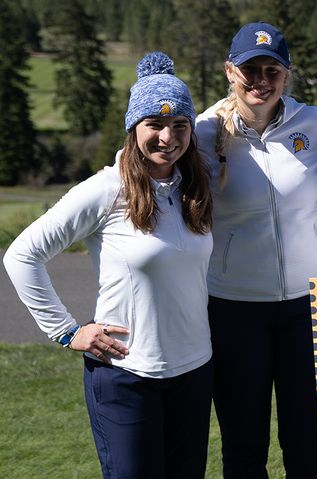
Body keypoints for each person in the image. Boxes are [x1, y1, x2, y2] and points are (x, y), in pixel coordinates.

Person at [5, 52, 213, 478]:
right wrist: (66, 331)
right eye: (154, 124)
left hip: (193, 373)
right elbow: (22, 255)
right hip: (126, 376)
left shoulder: (195, 187)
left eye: (179, 126)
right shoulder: (106, 190)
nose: (167, 138)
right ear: (133, 128)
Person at [193, 22, 317, 477]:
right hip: (235, 307)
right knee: (243, 441)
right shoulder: (201, 132)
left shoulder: (314, 123)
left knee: (311, 441)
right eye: (249, 69)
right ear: (229, 71)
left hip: (310, 305)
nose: (260, 80)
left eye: (271, 70)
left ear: (286, 76)